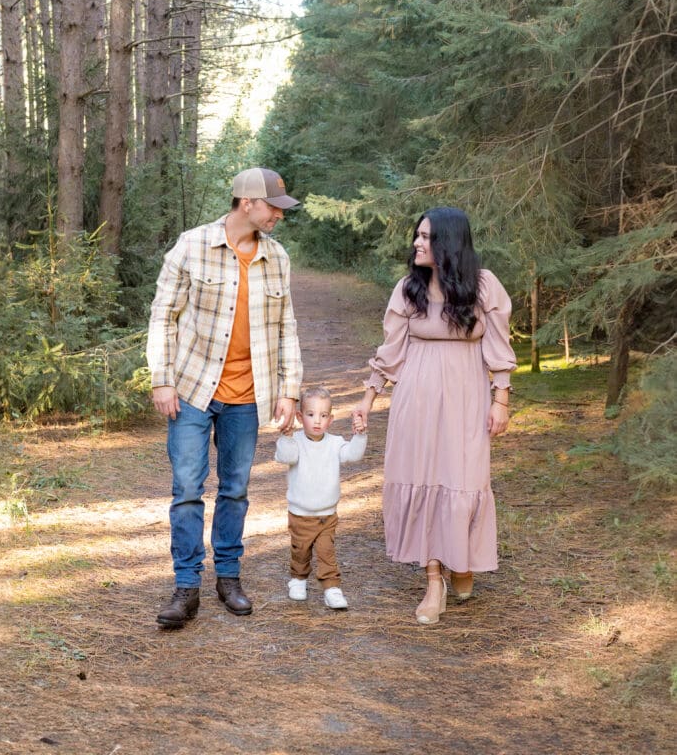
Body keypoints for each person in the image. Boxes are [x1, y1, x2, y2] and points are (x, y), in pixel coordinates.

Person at [147, 167, 303, 628]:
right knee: (188, 491)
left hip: (248, 395)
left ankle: (229, 578)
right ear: (247, 203)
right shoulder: (192, 245)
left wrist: (289, 389)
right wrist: (161, 378)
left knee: (235, 490)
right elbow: (163, 317)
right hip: (193, 388)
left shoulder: (277, 258)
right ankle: (186, 586)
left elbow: (286, 328)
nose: (279, 213)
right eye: (273, 205)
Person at [351, 206, 516, 625]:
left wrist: (501, 399)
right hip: (417, 397)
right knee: (422, 478)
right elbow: (390, 352)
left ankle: (461, 559)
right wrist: (368, 398)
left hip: (465, 395)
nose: (417, 243)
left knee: (462, 479)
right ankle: (433, 580)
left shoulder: (483, 286)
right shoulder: (409, 288)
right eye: (417, 236)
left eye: (426, 237)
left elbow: (497, 348)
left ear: (448, 242)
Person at [275, 385, 367, 610]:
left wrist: (360, 434)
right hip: (300, 514)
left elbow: (352, 455)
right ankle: (298, 578)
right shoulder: (295, 441)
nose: (317, 421)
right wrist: (286, 437)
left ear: (331, 419)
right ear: (299, 416)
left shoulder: (335, 443)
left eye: (323, 415)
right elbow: (285, 457)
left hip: (327, 514)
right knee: (301, 550)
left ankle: (331, 587)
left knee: (327, 551)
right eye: (310, 414)